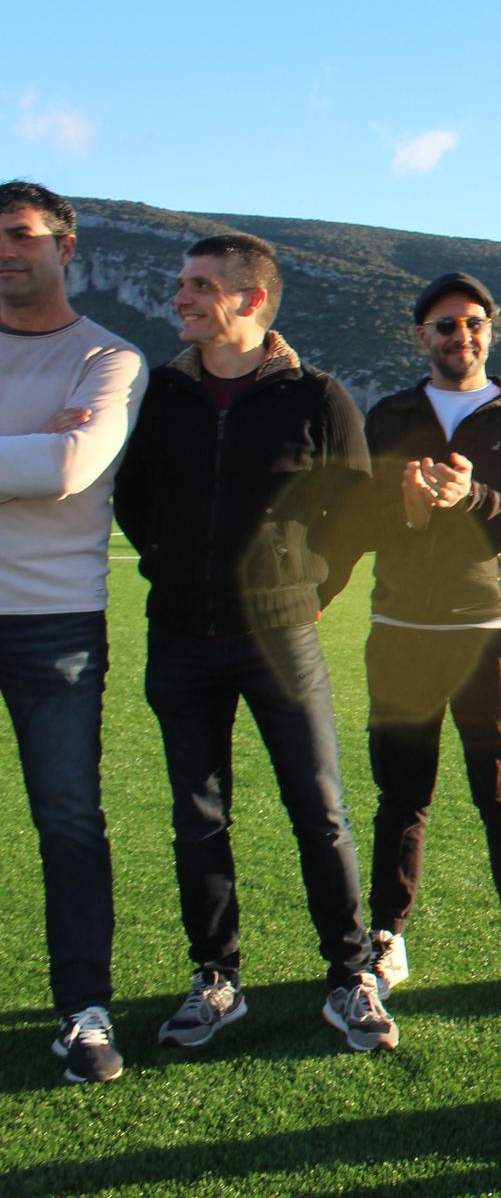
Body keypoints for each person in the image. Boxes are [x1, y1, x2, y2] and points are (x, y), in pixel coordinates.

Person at [112, 231, 392, 1054]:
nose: (181, 297)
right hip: (181, 636)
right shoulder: (161, 392)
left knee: (321, 811)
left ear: (252, 300)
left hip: (282, 637)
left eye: (201, 285)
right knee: (198, 817)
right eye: (183, 283)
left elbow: (359, 512)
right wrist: (169, 563)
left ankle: (348, 977)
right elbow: (136, 498)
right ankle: (216, 976)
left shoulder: (317, 397)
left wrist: (307, 594)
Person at [357, 272, 501, 1011]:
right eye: (445, 325)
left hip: (488, 629)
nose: (460, 336)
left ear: (489, 331)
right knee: (401, 796)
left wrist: (473, 496)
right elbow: (363, 518)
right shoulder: (391, 414)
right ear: (422, 336)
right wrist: (406, 509)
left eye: (474, 323)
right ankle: (385, 935)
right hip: (402, 627)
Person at [0, 181, 147, 1083]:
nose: (6, 251)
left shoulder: (110, 357)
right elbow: (37, 458)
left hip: (53, 623)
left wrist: (42, 450)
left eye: (21, 235)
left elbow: (66, 467)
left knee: (68, 820)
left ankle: (83, 1012)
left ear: (65, 245)